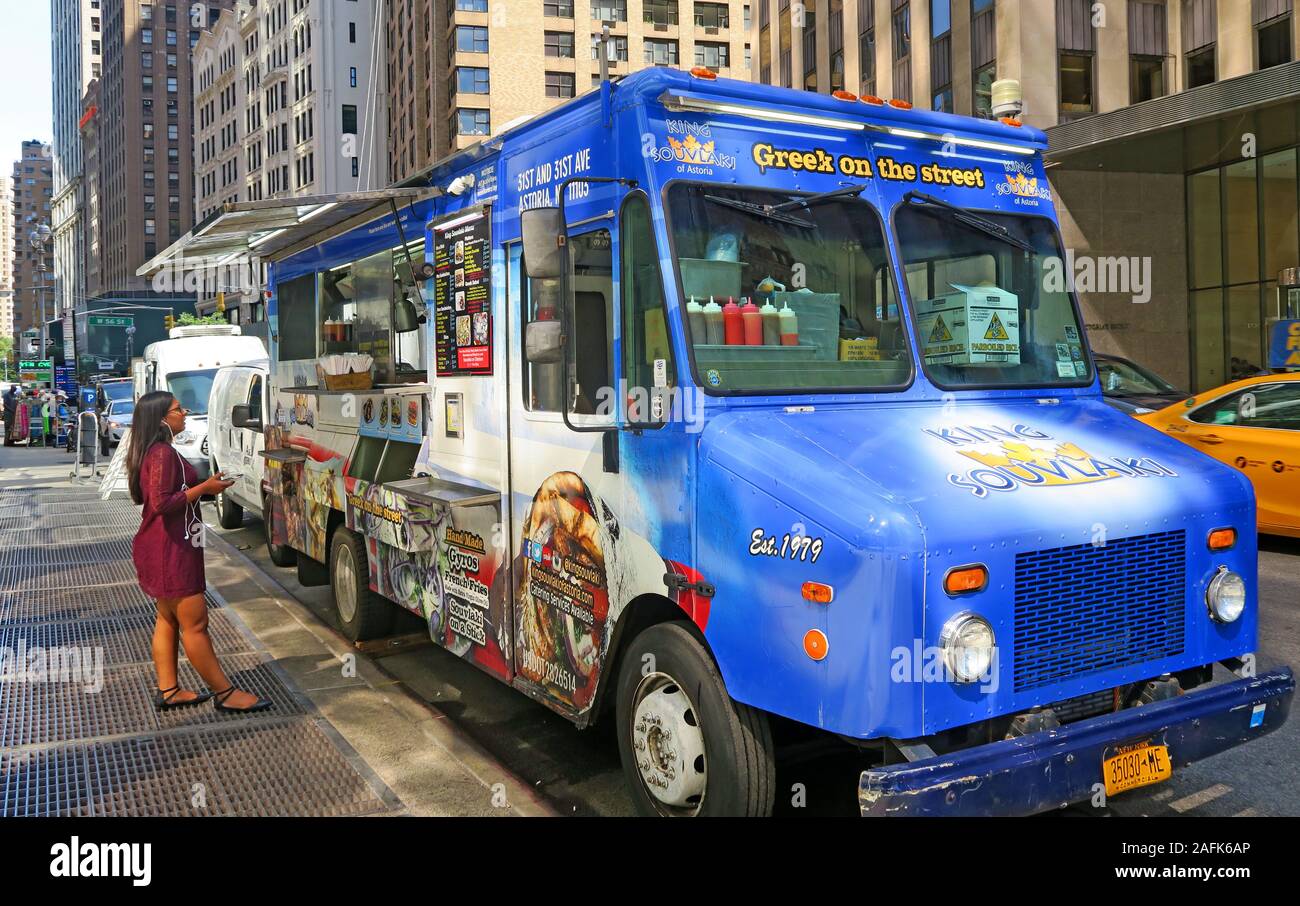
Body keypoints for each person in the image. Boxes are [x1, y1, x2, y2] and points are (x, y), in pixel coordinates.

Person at [126, 391, 272, 713]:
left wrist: (206, 484)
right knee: (195, 624)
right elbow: (163, 503)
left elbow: (162, 496)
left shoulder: (156, 451)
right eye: (178, 410)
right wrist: (204, 489)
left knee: (167, 618)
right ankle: (225, 693)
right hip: (171, 551)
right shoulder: (162, 453)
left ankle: (169, 689)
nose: (184, 413)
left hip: (166, 546)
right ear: (163, 419)